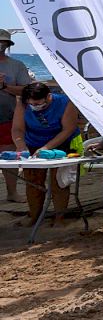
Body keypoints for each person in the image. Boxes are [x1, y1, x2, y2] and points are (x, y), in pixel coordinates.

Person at [11, 82, 79, 225]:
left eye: (37, 104)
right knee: (33, 181)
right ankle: (34, 216)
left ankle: (59, 218)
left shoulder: (65, 103)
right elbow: (17, 128)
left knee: (59, 181)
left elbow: (68, 129)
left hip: (62, 141)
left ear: (48, 97)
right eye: (31, 104)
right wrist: (21, 146)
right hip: (33, 141)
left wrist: (47, 147)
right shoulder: (23, 103)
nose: (34, 107)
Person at [0, 29, 34, 202]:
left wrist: (4, 87)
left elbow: (26, 90)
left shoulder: (17, 65)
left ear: (7, 45)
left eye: (3, 43)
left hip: (8, 117)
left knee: (8, 156)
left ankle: (12, 192)